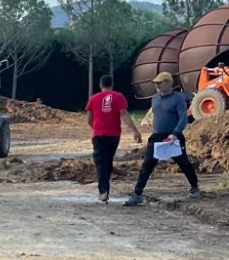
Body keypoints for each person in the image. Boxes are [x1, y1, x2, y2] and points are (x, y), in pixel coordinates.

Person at [124, 72, 201, 207]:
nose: (157, 86)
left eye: (160, 83)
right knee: (147, 165)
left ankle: (194, 187)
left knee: (183, 163)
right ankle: (137, 194)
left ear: (168, 83)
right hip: (157, 137)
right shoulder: (155, 99)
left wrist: (175, 133)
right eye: (156, 84)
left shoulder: (178, 99)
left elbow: (183, 118)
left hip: (173, 136)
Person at [86, 74, 142, 202]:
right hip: (114, 135)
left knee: (100, 162)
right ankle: (105, 187)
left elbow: (89, 119)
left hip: (98, 134)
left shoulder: (93, 99)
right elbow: (124, 114)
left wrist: (95, 128)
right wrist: (135, 131)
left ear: (100, 85)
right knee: (108, 160)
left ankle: (103, 191)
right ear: (112, 85)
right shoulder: (118, 97)